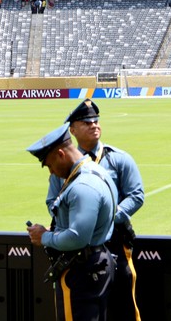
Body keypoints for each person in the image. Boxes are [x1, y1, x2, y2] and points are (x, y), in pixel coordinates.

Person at [47, 99, 145, 321]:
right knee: (88, 309)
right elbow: (52, 201)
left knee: (124, 305)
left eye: (96, 120)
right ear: (72, 130)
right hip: (78, 249)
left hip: (116, 242)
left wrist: (106, 217)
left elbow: (137, 195)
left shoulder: (119, 158)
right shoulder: (62, 165)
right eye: (86, 122)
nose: (94, 125)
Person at [27, 123, 117, 321]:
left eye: (50, 165)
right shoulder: (95, 171)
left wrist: (45, 237)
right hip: (96, 262)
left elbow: (77, 237)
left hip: (82, 270)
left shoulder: (82, 186)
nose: (51, 172)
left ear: (61, 154)